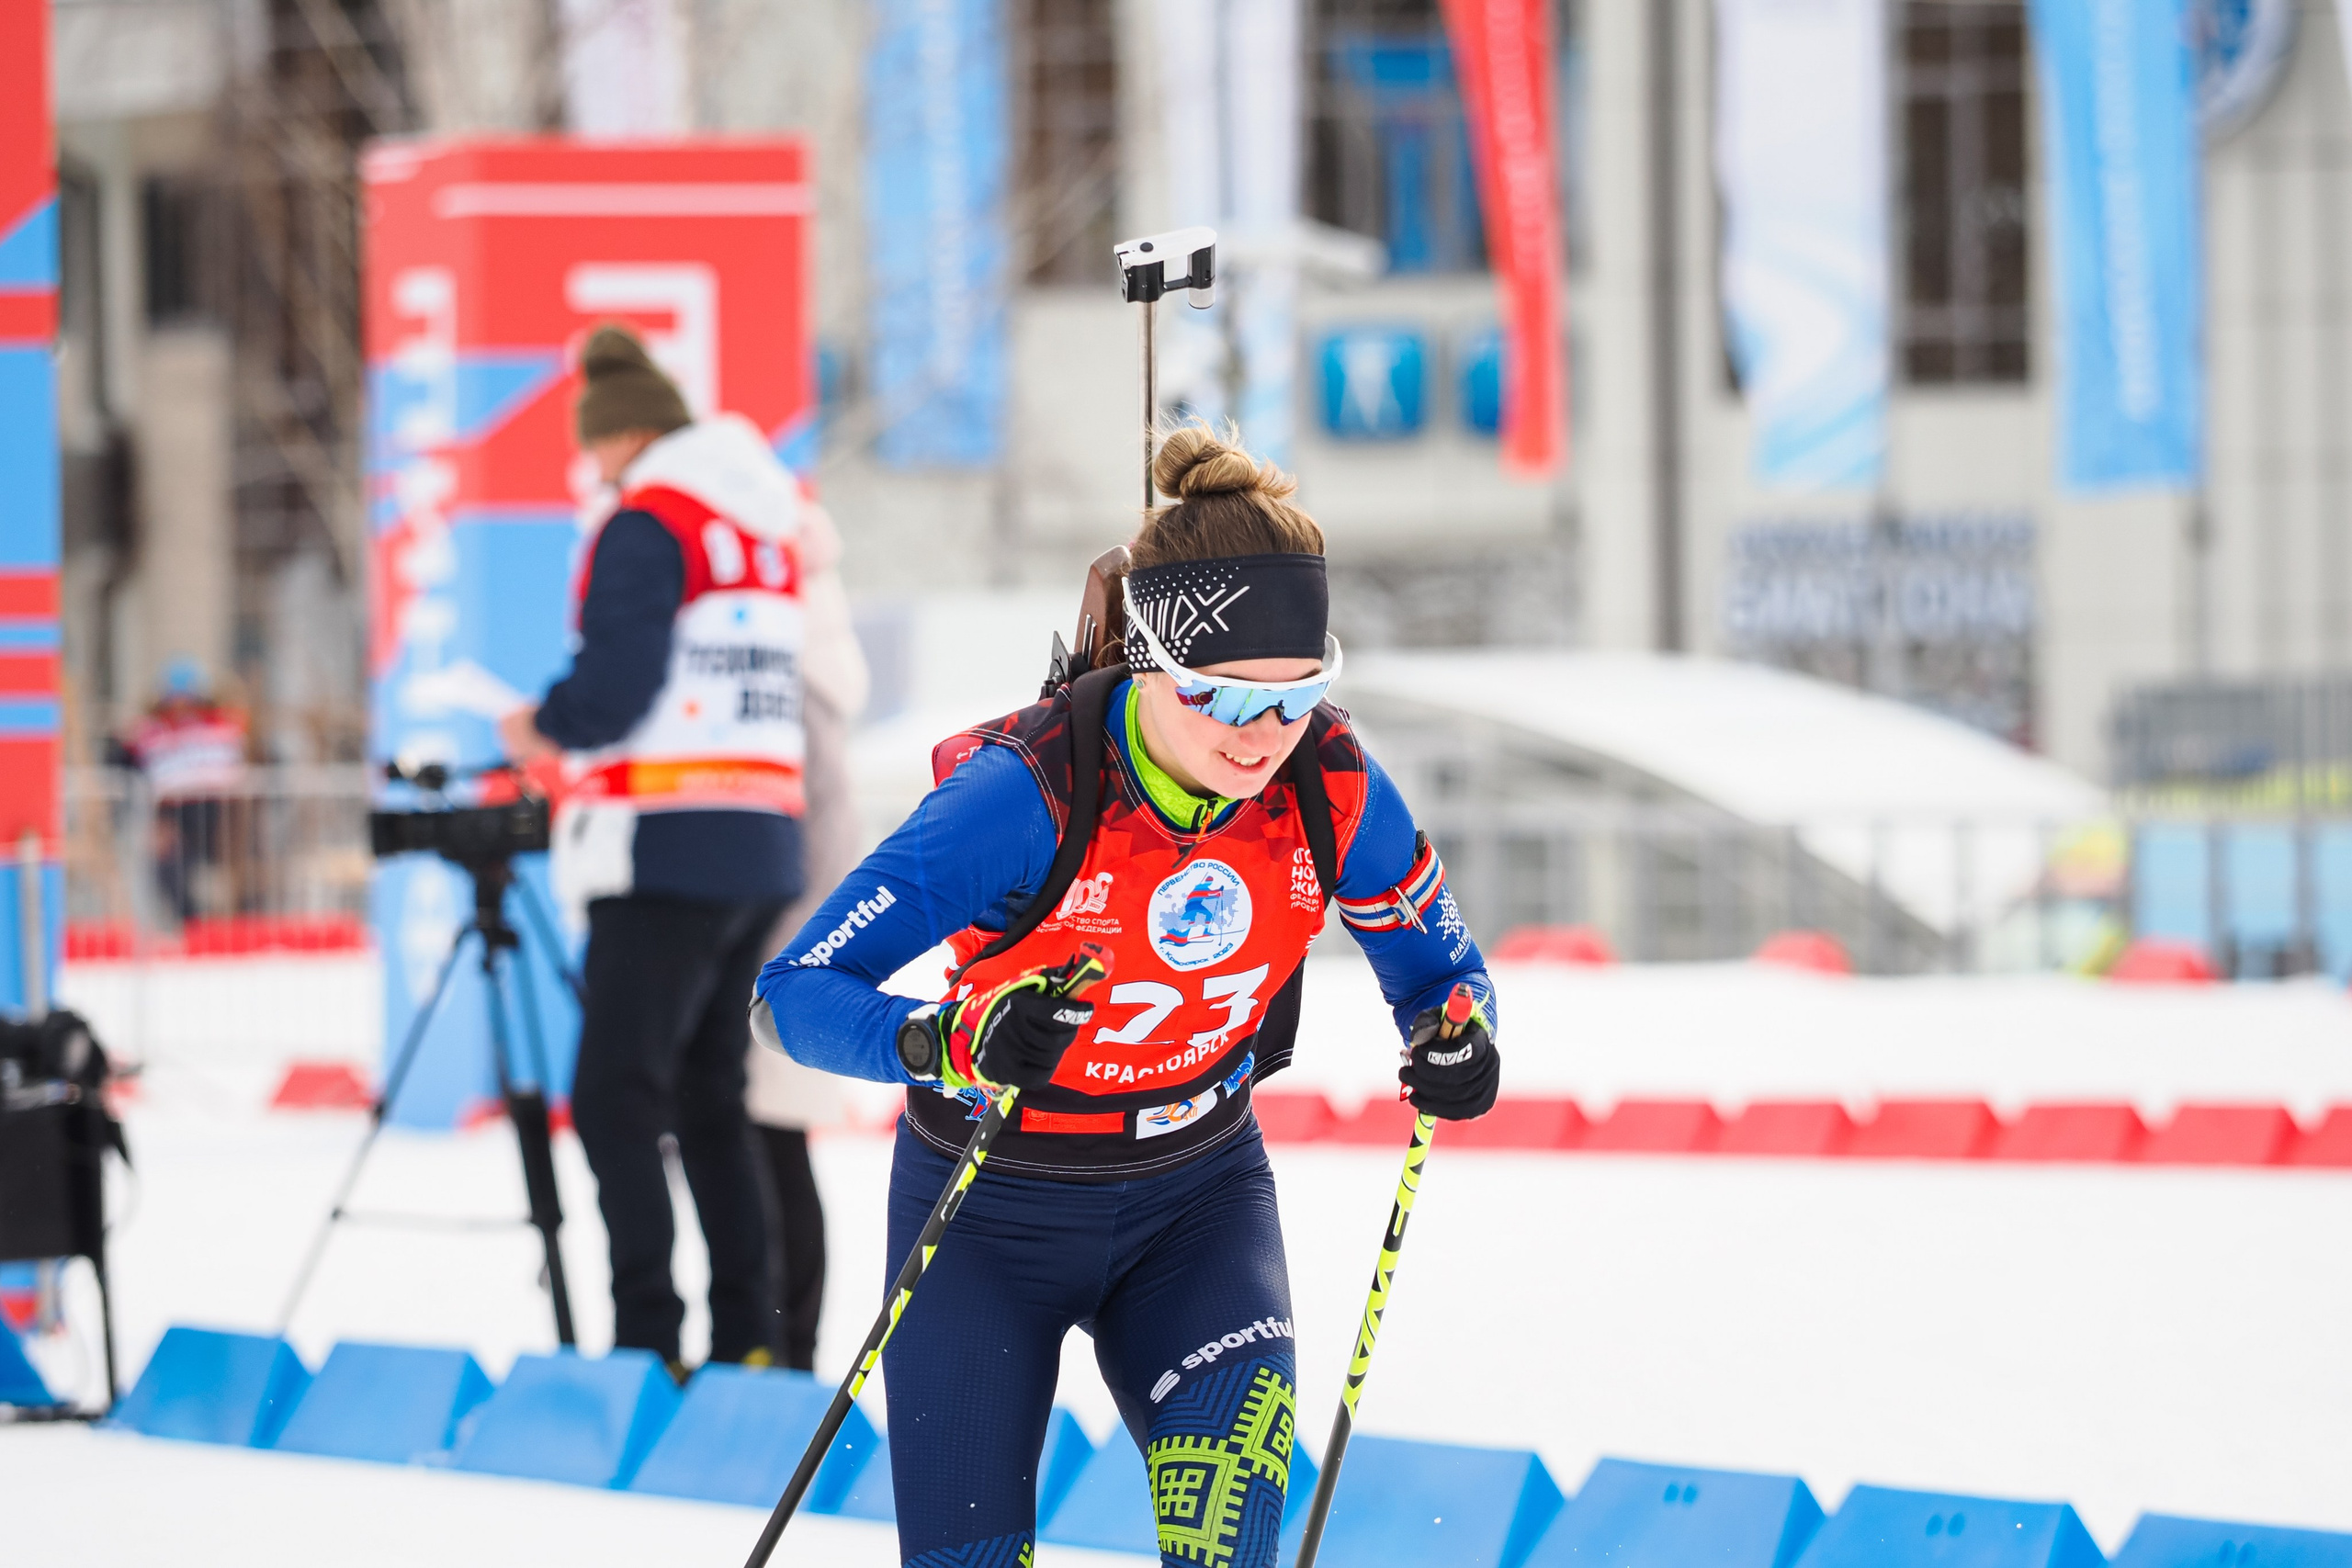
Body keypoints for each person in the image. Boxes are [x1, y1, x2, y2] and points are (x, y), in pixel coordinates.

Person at [752, 424, 1502, 1566]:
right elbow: (793, 993)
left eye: (1297, 697)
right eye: (1223, 700)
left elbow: (1444, 978)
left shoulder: (1331, 784)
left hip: (1195, 1207)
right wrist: (942, 1041)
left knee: (1228, 1551)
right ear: (1149, 666)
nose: (1265, 737)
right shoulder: (1021, 797)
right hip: (987, 1213)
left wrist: (1461, 1038)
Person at [498, 323, 858, 1373]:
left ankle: (646, 1340)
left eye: (595, 447)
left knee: (615, 1095)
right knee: (712, 1096)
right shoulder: (760, 528)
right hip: (758, 844)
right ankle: (748, 1336)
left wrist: (540, 724)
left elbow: (615, 686)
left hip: (664, 847)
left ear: (623, 436)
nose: (592, 468)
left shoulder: (646, 521)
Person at [743, 615, 870, 1371]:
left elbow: (814, 832)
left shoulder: (788, 692)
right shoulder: (807, 683)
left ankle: (786, 1346)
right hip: (788, 940)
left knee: (772, 1146)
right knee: (770, 1144)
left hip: (781, 948)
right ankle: (783, 1342)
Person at [112, 658, 250, 924]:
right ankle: (192, 926)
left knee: (246, 863)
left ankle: (244, 925)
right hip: (173, 815)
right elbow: (129, 766)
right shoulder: (149, 731)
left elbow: (241, 762)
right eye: (175, 702)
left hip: (220, 815)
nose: (182, 709)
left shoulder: (222, 725)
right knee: (166, 863)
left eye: (189, 701)